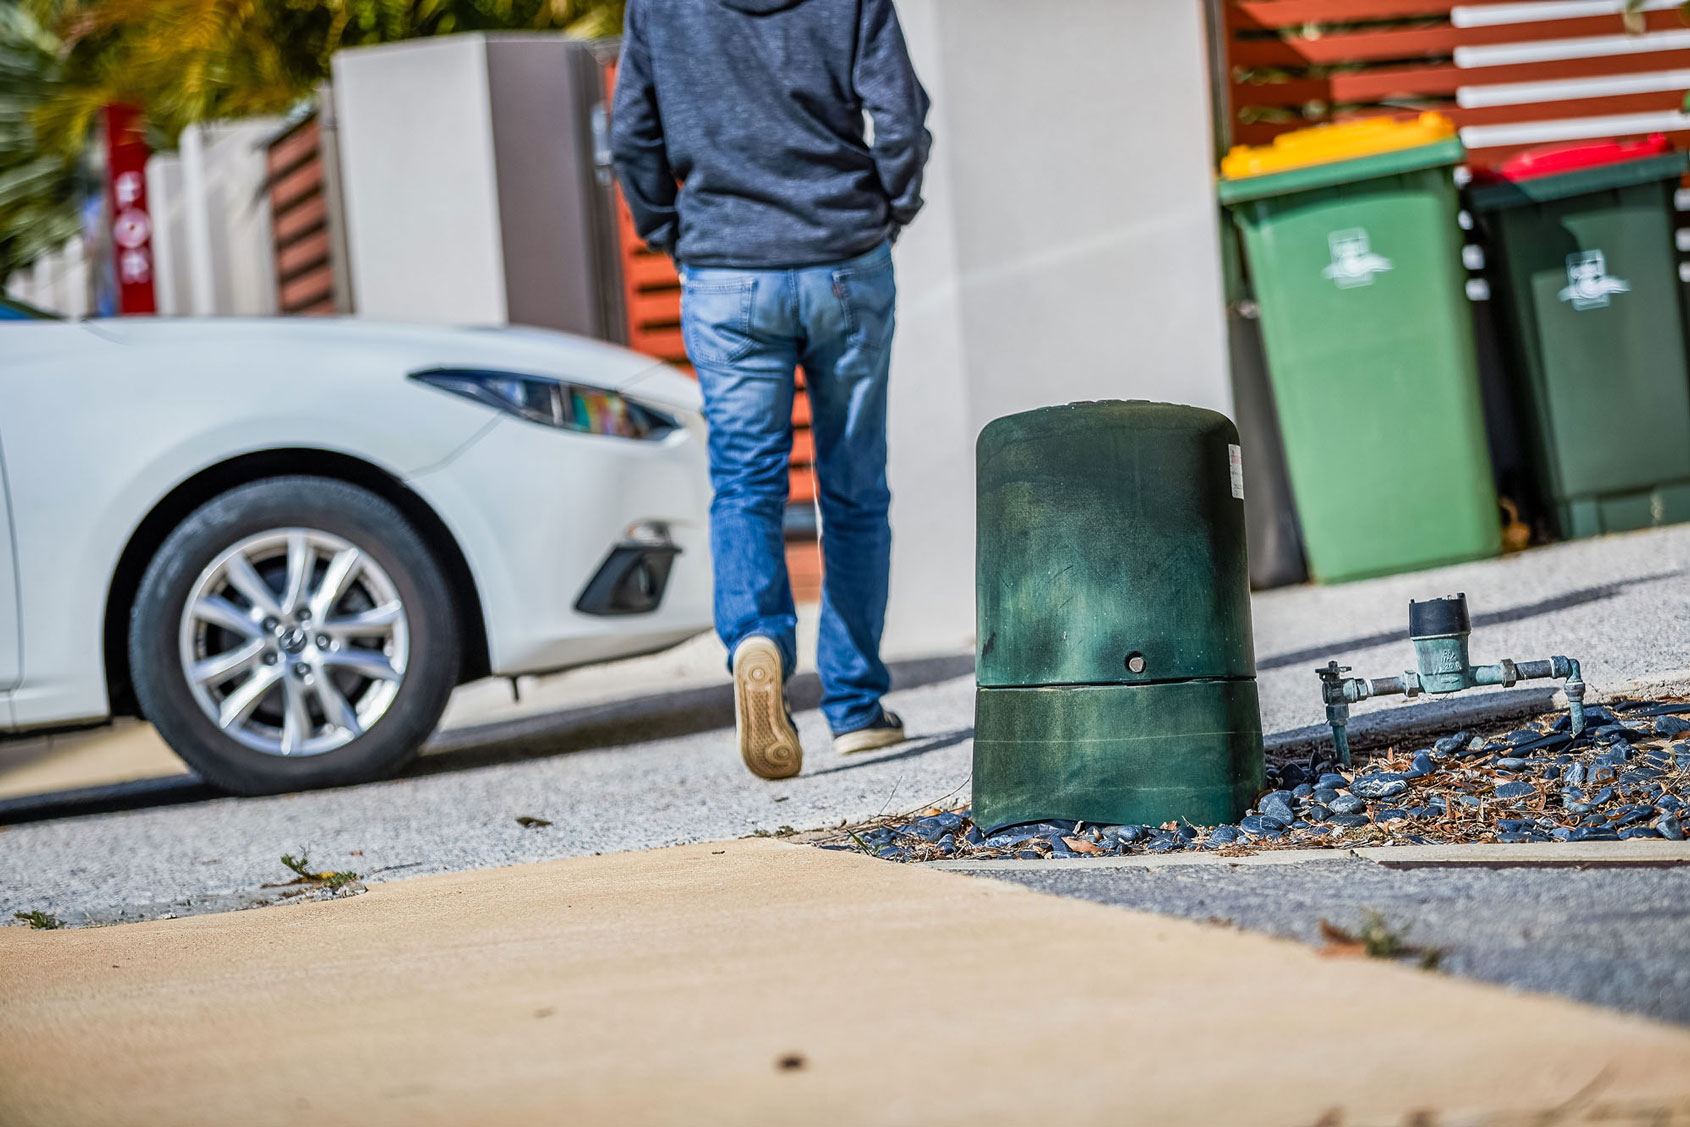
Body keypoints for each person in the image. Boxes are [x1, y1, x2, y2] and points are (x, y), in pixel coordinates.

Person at [611, 0, 931, 780]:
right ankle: (855, 706)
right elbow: (900, 115)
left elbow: (632, 135)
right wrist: (889, 208)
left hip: (725, 271)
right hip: (844, 258)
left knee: (746, 484)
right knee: (853, 487)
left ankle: (757, 640)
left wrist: (668, 230)